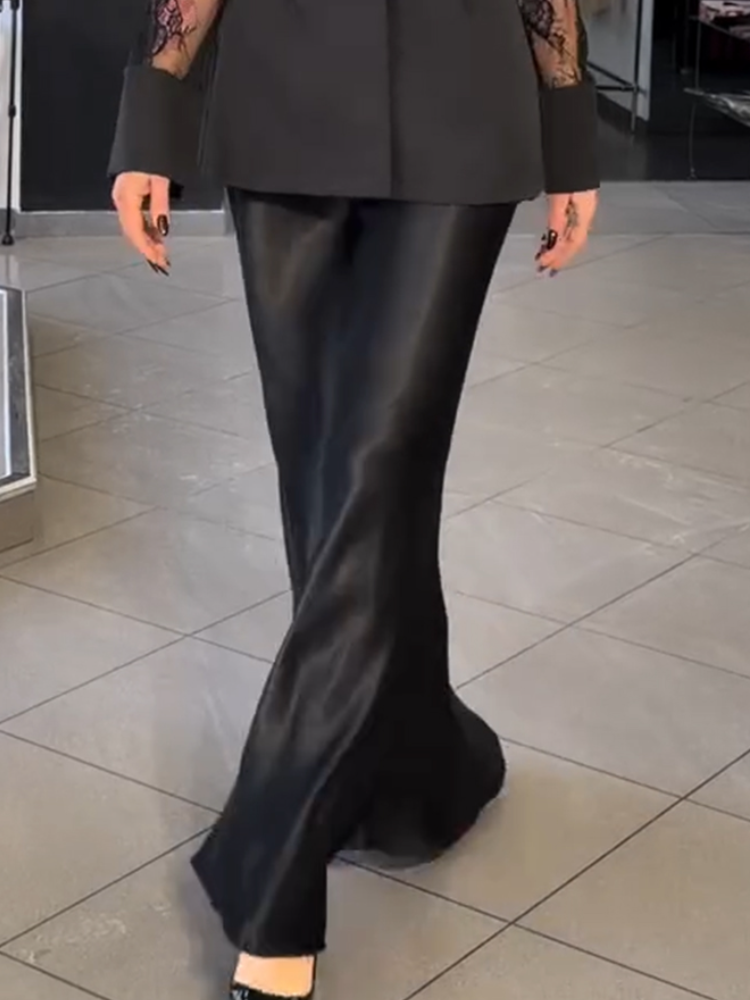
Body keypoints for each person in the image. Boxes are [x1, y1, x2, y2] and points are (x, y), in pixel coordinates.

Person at [110, 1, 599, 996]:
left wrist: (567, 128)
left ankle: (274, 887)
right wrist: (154, 107)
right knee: (326, 489)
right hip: (280, 110)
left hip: (461, 113)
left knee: (378, 470)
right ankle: (416, 768)